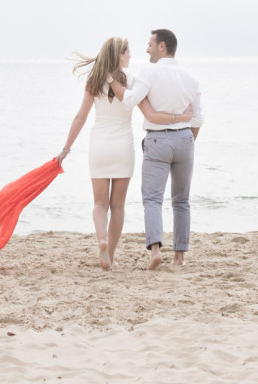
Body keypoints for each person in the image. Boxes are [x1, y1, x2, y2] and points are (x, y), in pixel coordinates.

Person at [55, 36, 192, 271]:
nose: (131, 56)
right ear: (119, 55)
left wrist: (65, 149)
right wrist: (180, 118)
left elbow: (80, 117)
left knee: (99, 203)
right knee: (117, 205)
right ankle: (110, 254)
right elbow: (151, 113)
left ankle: (101, 240)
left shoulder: (94, 80)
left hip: (99, 144)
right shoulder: (132, 81)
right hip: (122, 146)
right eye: (128, 52)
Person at [108, 29, 204, 270]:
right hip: (185, 139)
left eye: (150, 44)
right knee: (182, 200)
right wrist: (187, 140)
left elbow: (130, 100)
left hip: (158, 140)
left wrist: (110, 80)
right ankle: (179, 256)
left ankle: (155, 252)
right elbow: (198, 118)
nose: (147, 49)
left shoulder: (149, 73)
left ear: (162, 46)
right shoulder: (190, 78)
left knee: (152, 198)